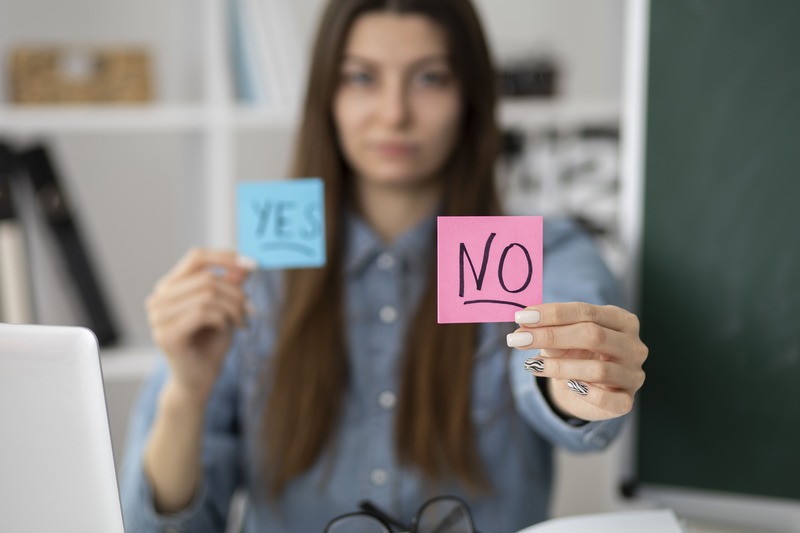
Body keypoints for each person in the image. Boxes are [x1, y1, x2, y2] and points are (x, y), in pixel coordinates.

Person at [120, 0, 648, 531]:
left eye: (429, 78)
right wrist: (185, 394)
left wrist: (574, 380)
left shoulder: (543, 254)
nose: (394, 113)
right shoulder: (254, 279)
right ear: (326, 96)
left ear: (470, 96)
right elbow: (161, 525)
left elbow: (537, 370)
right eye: (362, 78)